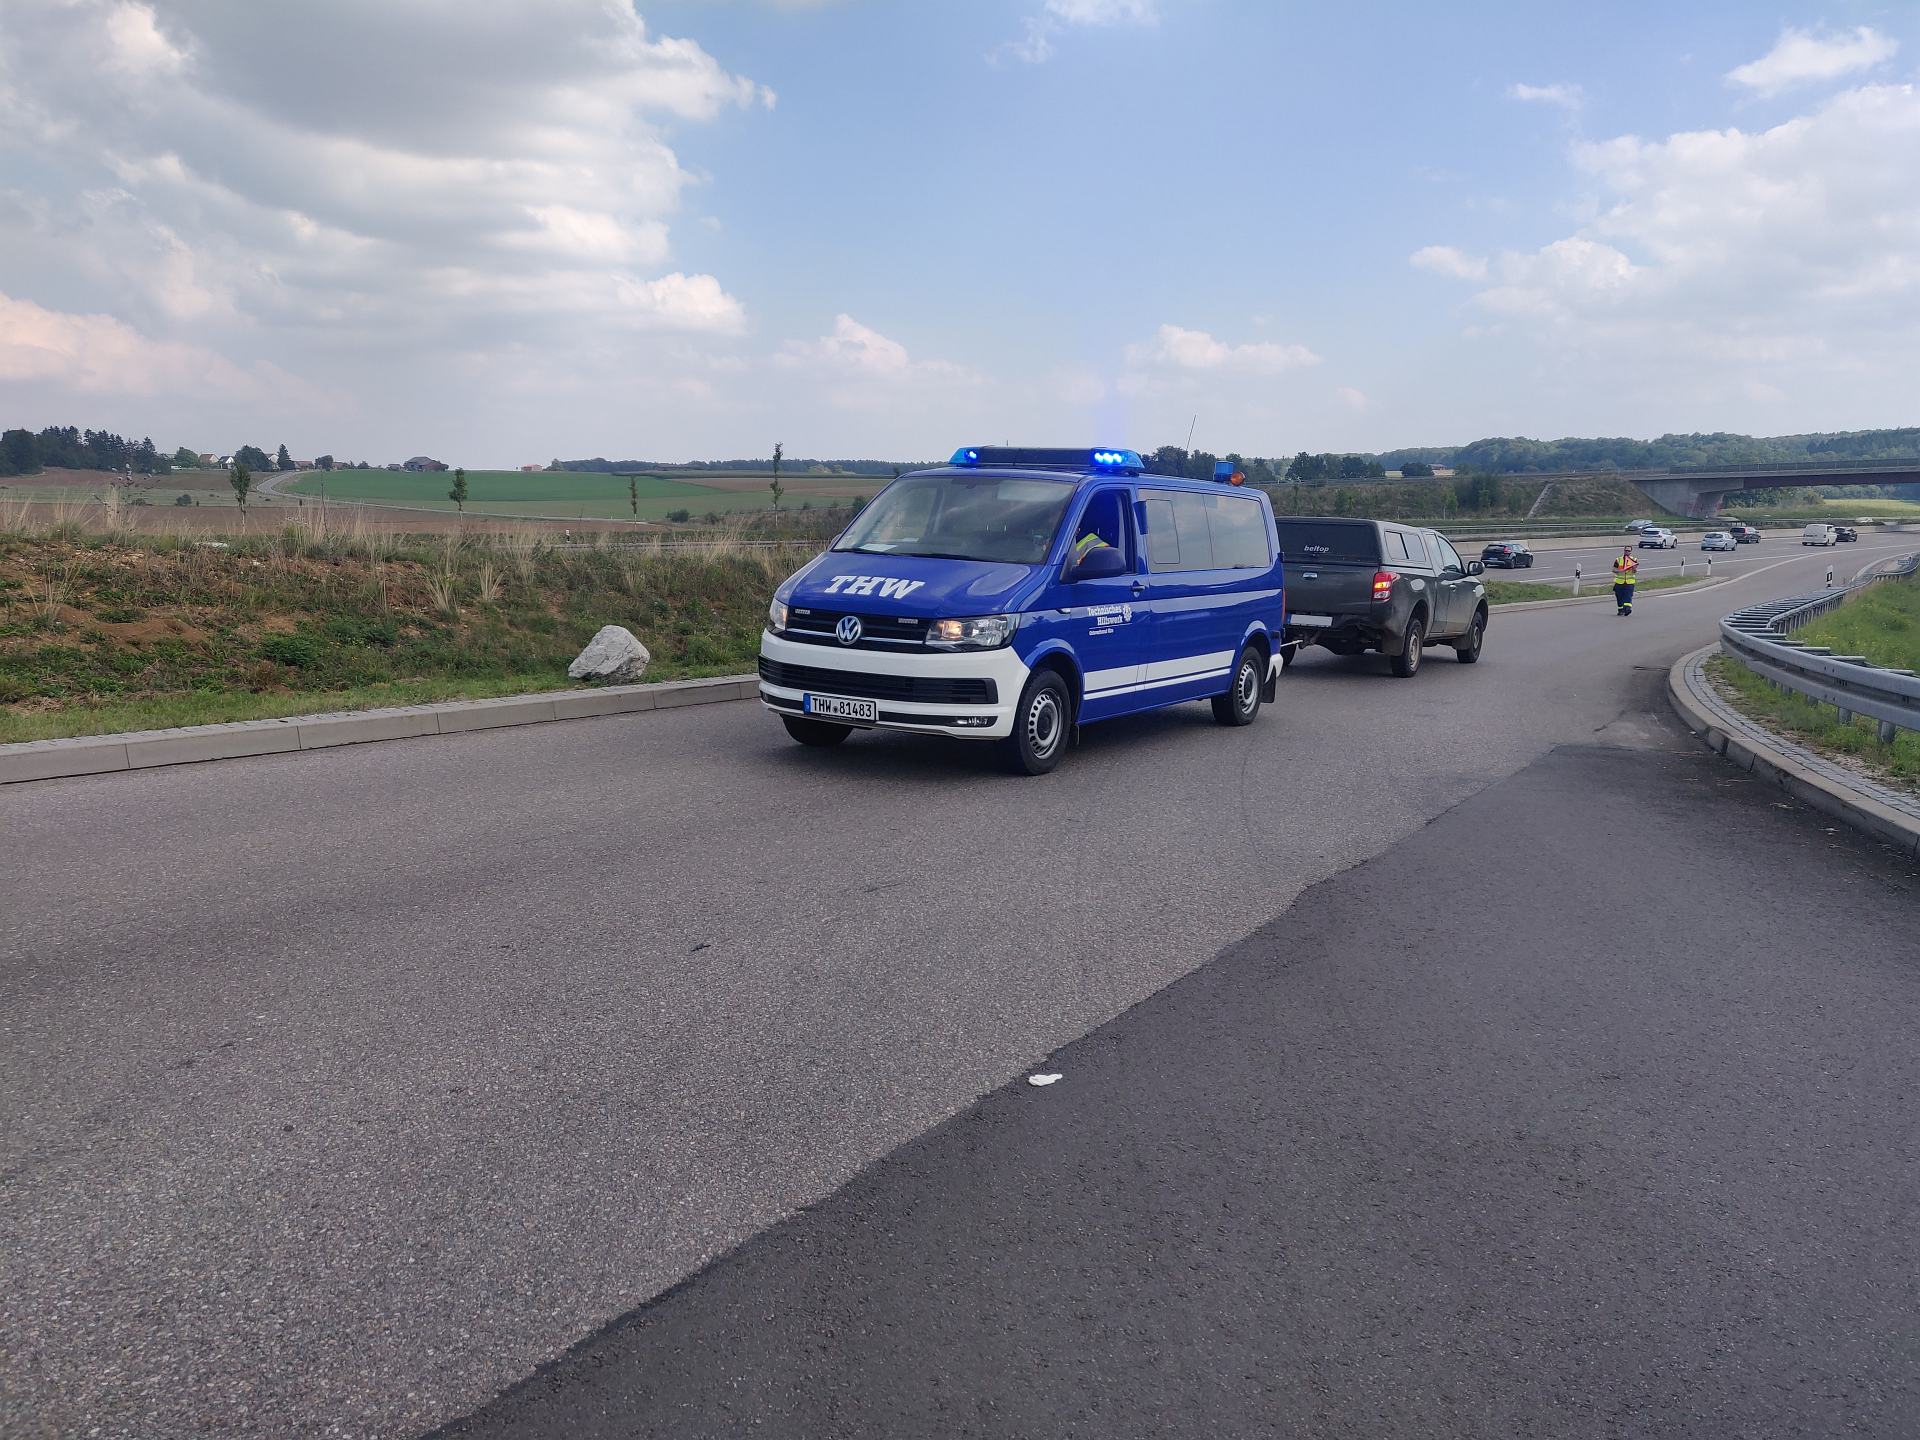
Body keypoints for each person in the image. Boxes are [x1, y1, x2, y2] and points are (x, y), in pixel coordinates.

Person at [1612, 546, 1639, 616]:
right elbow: (1614, 570)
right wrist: (1620, 570)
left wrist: (1634, 568)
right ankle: (1620, 610)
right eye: (1626, 550)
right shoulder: (1618, 559)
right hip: (1619, 582)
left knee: (1628, 596)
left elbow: (1635, 571)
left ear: (1631, 552)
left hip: (1629, 582)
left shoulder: (1634, 560)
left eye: (1629, 551)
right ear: (1624, 551)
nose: (1627, 552)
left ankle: (1627, 609)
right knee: (1619, 596)